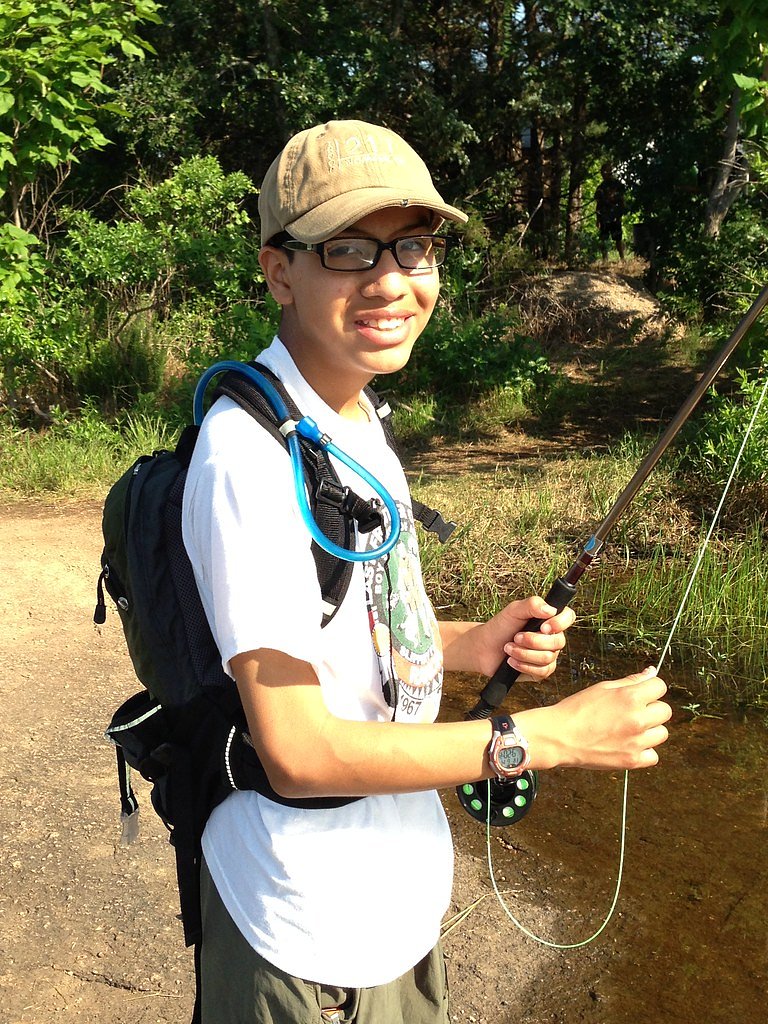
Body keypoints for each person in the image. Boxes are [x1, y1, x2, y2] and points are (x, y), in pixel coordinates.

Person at [181, 120, 671, 1024]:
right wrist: (547, 738)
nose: (393, 280)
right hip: (303, 927)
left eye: (415, 246)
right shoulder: (245, 459)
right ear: (279, 269)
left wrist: (468, 644)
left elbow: (351, 625)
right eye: (350, 249)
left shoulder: (353, 416)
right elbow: (298, 754)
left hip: (393, 900)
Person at [595, 162, 626, 259]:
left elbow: (622, 201)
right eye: (602, 172)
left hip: (615, 216)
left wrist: (620, 216)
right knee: (604, 238)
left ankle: (622, 259)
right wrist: (598, 218)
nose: (603, 174)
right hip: (604, 216)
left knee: (618, 238)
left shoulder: (617, 185)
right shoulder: (600, 187)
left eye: (605, 172)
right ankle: (605, 260)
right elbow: (598, 203)